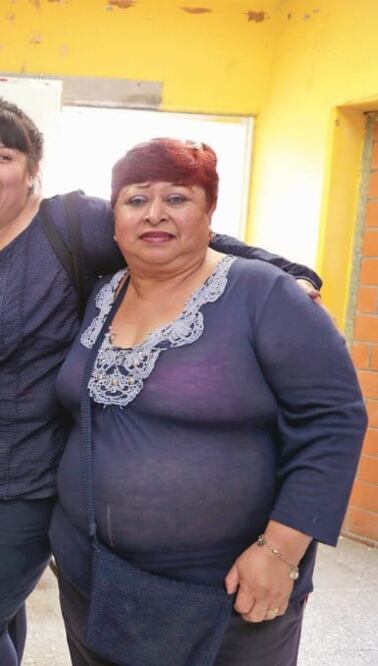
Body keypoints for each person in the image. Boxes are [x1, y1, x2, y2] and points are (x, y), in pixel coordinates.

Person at [0, 99, 325, 665]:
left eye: (3, 155)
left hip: (22, 473)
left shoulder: (69, 224)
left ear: (32, 171)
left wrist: (286, 272)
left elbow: (179, 234)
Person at [47, 137, 366, 665]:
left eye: (177, 198)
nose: (155, 214)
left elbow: (333, 422)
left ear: (209, 210)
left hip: (229, 593)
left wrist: (281, 551)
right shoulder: (99, 293)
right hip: (95, 581)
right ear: (115, 216)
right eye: (135, 199)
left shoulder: (266, 295)